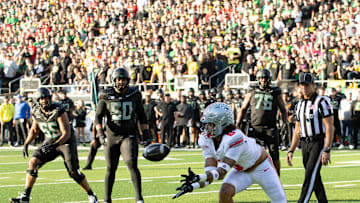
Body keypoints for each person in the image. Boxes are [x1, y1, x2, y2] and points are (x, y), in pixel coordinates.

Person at [173, 102, 286, 203]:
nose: (206, 127)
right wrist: (193, 186)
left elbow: (221, 172)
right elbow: (211, 175)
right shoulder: (205, 139)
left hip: (262, 167)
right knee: (225, 193)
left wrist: (198, 177)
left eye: (211, 124)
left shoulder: (234, 137)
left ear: (222, 124)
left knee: (279, 200)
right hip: (241, 170)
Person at [10, 87, 98, 203]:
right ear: (37, 100)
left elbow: (66, 133)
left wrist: (55, 144)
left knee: (73, 172)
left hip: (65, 142)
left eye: (46, 98)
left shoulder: (58, 110)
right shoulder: (36, 111)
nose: (44, 101)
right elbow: (35, 129)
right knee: (33, 162)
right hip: (50, 141)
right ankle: (26, 196)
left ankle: (91, 194)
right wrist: (26, 143)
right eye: (41, 99)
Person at [94, 67, 150, 203]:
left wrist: (146, 135)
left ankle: (139, 198)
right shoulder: (105, 96)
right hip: (111, 135)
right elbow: (97, 117)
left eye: (123, 79)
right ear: (113, 80)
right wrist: (100, 134)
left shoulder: (134, 94)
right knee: (110, 168)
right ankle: (107, 199)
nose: (121, 82)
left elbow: (142, 116)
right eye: (118, 79)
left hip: (128, 134)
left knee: (131, 161)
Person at [287, 73, 334, 203]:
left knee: (309, 177)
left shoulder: (322, 101)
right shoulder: (299, 105)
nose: (304, 88)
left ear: (313, 85)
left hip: (318, 142)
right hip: (304, 144)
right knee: (315, 179)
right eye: (302, 85)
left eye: (307, 85)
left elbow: (329, 126)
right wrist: (291, 150)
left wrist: (327, 149)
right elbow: (297, 130)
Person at [236, 69, 289, 176]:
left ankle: (276, 178)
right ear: (258, 79)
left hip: (270, 127)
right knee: (249, 154)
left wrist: (285, 123)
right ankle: (246, 177)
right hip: (255, 127)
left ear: (269, 79)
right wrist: (237, 123)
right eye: (261, 78)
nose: (263, 80)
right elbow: (243, 108)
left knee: (274, 154)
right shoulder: (252, 91)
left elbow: (283, 109)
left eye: (265, 78)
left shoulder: (275, 92)